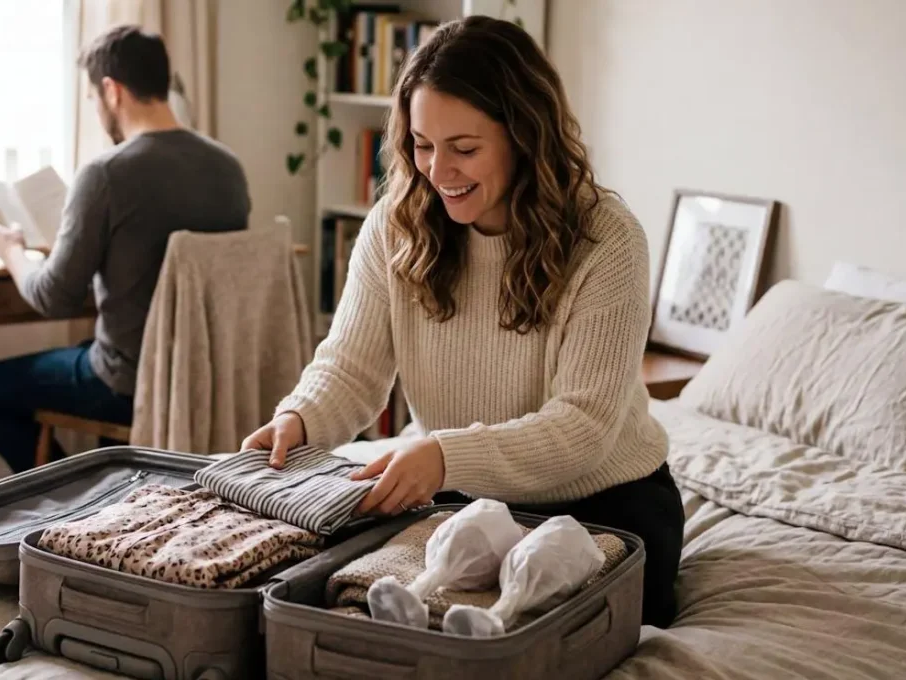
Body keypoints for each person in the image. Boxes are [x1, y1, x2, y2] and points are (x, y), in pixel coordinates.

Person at [240, 16, 683, 628]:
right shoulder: (394, 227)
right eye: (422, 144)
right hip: (467, 494)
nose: (437, 171)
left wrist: (445, 456)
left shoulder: (607, 240)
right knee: (350, 597)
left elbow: (586, 426)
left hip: (606, 502)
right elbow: (351, 367)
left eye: (464, 148)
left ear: (525, 137)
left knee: (533, 624)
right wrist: (300, 417)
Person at [0, 25, 251, 474]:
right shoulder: (228, 168)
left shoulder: (106, 174)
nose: (97, 111)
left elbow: (53, 296)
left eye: (94, 100)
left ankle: (69, 495)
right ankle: (107, 492)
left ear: (112, 92)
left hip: (130, 385)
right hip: (206, 379)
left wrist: (13, 252)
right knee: (88, 349)